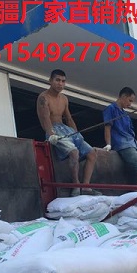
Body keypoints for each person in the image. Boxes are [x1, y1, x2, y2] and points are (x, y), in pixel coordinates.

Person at [37, 69, 100, 197]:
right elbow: (45, 118)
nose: (60, 84)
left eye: (63, 81)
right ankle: (76, 185)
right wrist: (51, 134)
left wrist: (76, 133)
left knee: (92, 153)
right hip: (54, 130)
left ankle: (86, 186)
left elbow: (69, 118)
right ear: (50, 81)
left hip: (67, 129)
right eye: (57, 80)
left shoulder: (64, 98)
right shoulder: (43, 98)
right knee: (74, 152)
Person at [103, 87, 137, 185]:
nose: (130, 104)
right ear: (123, 96)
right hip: (123, 144)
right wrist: (108, 144)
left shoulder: (126, 114)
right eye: (130, 100)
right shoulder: (111, 108)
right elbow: (107, 127)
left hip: (134, 143)